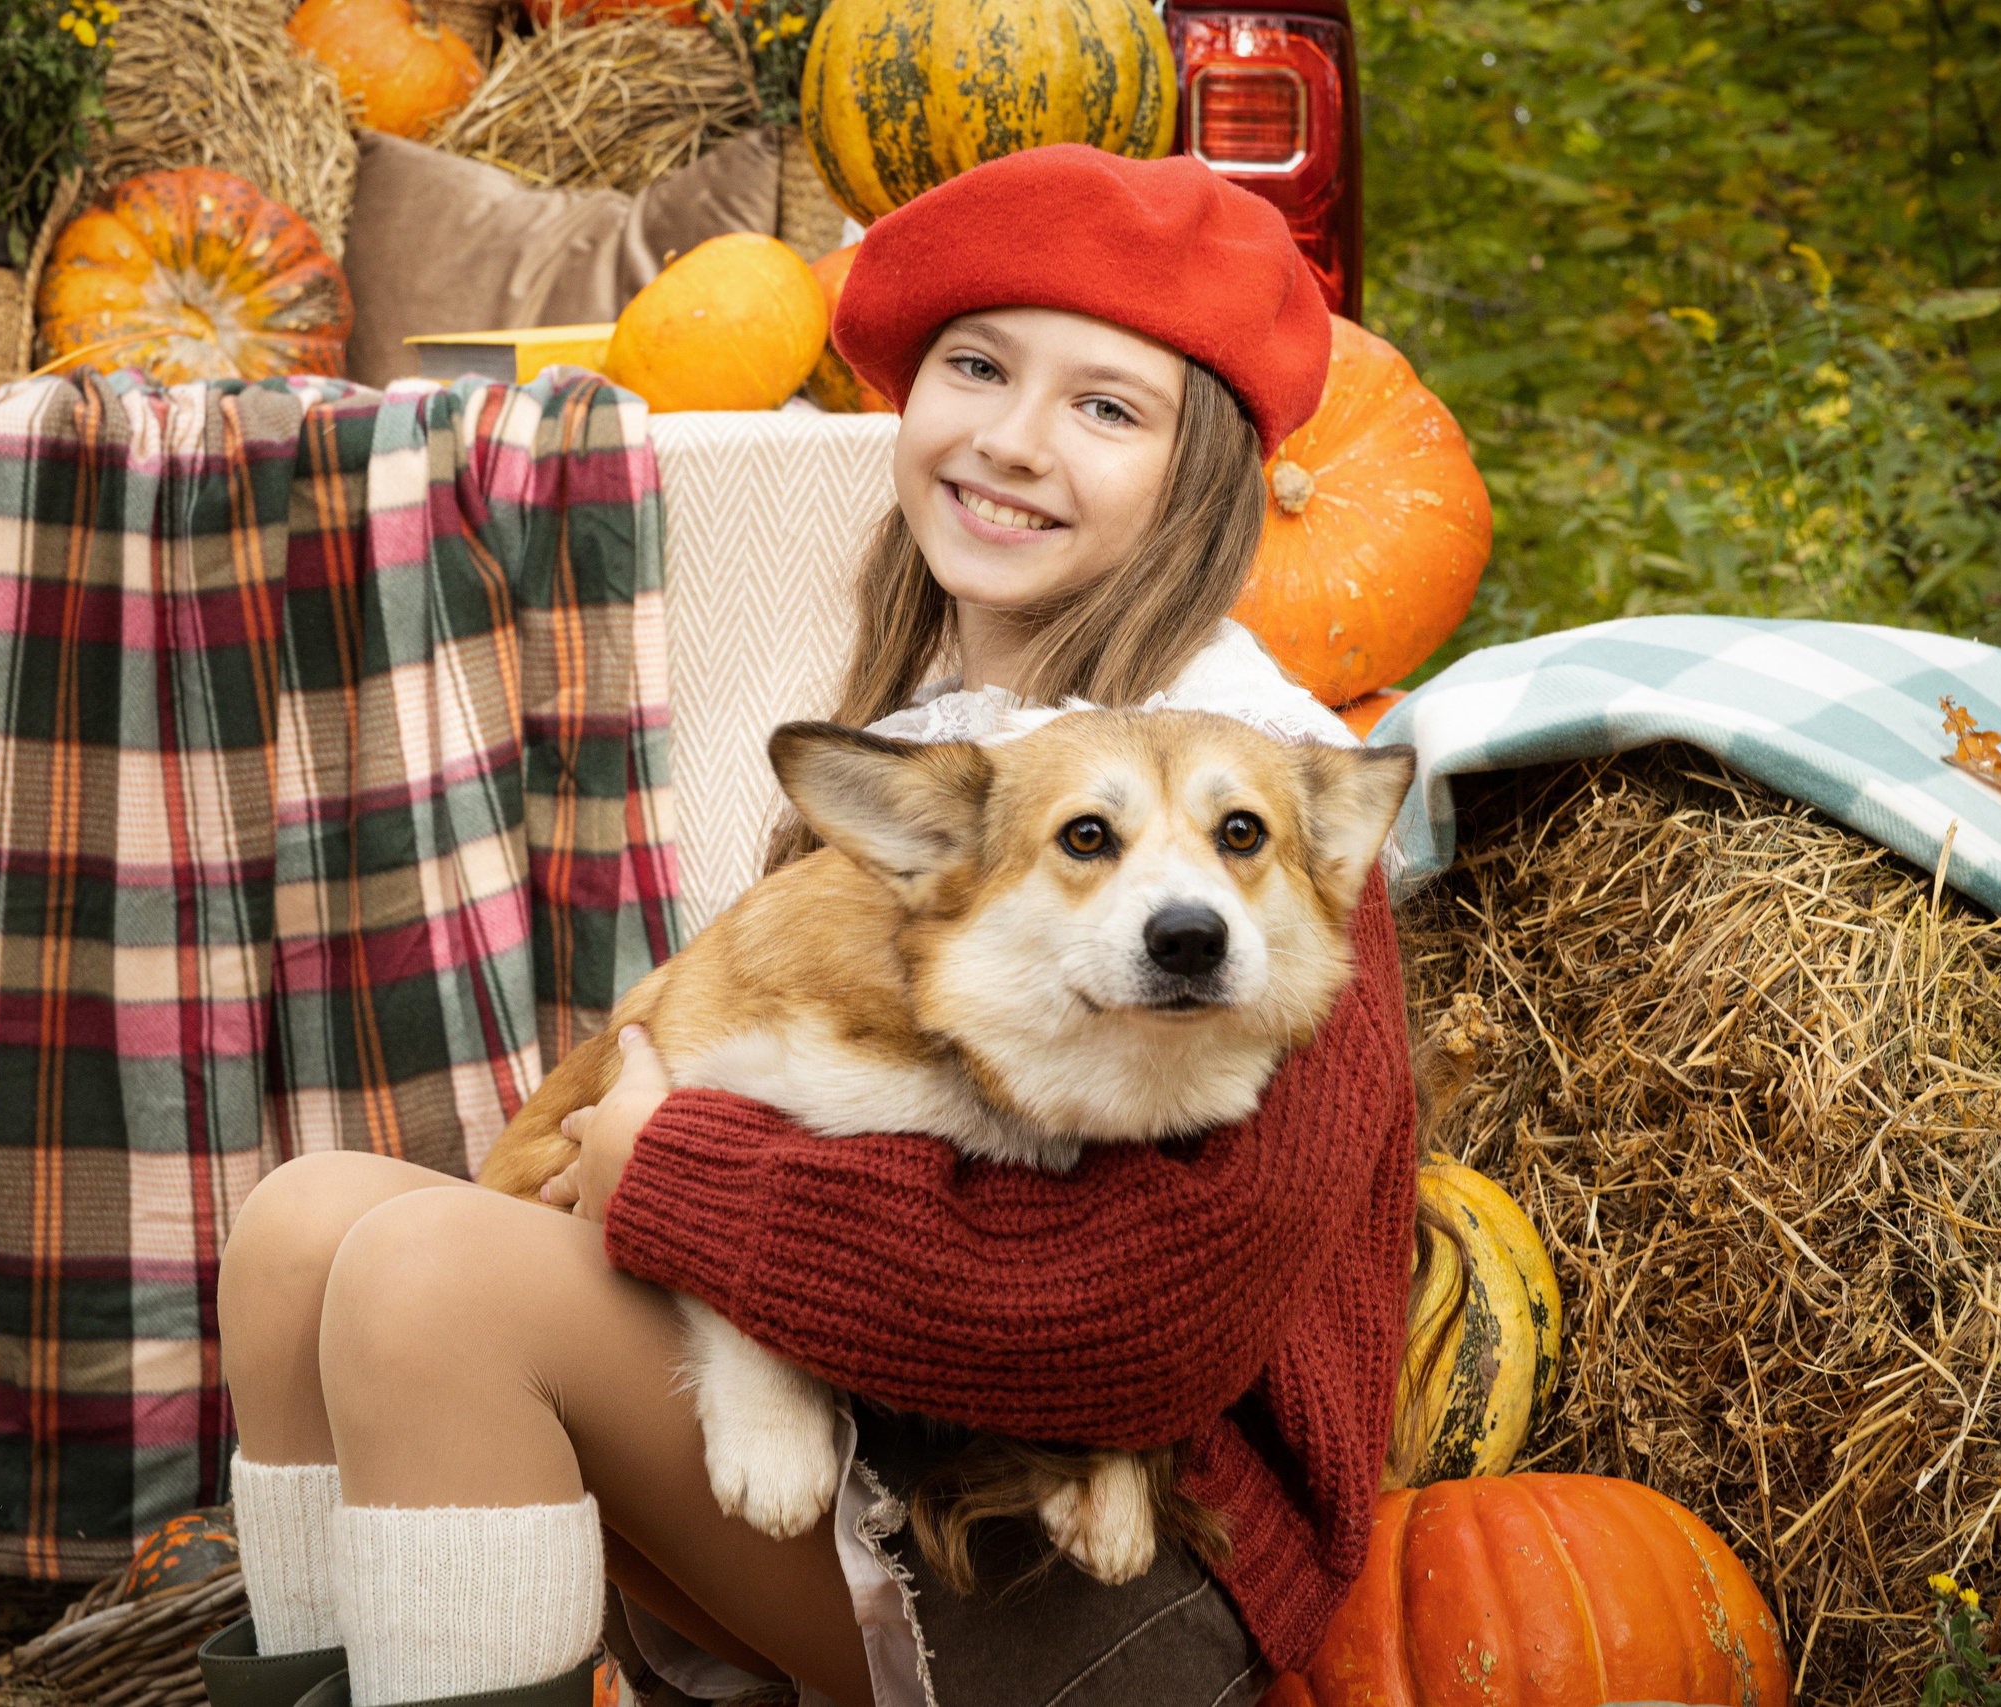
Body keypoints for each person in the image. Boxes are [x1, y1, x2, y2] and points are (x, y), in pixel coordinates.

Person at [204, 144, 1417, 1707]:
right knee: (302, 1227)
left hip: (1114, 1581)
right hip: (880, 1445)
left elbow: (1146, 1334)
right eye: (976, 367)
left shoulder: (1261, 847)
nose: (1013, 439)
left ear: (1198, 476)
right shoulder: (943, 759)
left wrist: (674, 1176)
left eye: (1105, 406)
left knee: (427, 1281)